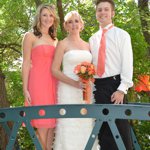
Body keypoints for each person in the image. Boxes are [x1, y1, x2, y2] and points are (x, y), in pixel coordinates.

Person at [89, 0, 133, 150]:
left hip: (116, 85)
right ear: (96, 14)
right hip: (98, 86)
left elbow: (127, 63)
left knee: (120, 129)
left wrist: (122, 89)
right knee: (103, 130)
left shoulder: (122, 35)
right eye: (99, 10)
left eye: (106, 9)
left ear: (112, 13)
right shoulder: (92, 39)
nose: (102, 12)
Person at [52, 11, 99, 150]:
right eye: (70, 22)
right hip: (68, 89)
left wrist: (88, 81)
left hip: (86, 90)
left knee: (85, 122)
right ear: (65, 26)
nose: (74, 24)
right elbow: (54, 70)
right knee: (69, 122)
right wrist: (74, 84)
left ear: (81, 25)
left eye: (76, 21)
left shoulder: (88, 45)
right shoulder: (62, 44)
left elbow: (94, 69)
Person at [22, 4, 58, 150]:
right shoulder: (30, 36)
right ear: (39, 17)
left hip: (54, 84)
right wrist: (25, 89)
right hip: (38, 83)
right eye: (44, 15)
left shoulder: (55, 40)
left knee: (51, 126)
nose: (47, 18)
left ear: (54, 18)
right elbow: (25, 63)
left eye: (50, 15)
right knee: (42, 124)